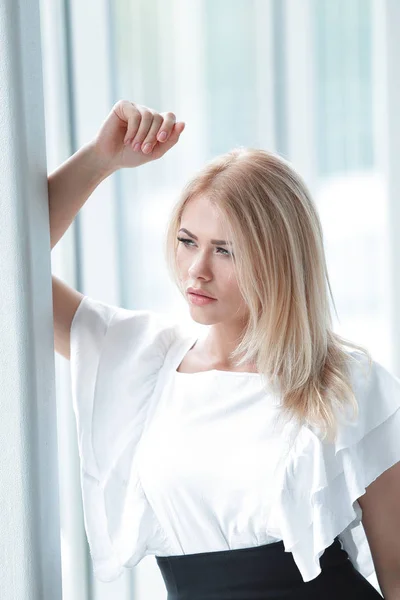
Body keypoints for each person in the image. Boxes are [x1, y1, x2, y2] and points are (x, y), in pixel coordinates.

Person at [51, 100, 400, 599]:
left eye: (225, 250)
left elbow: (397, 569)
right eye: (188, 241)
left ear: (278, 259)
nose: (197, 269)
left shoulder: (345, 381)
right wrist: (98, 161)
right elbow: (10, 262)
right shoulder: (141, 360)